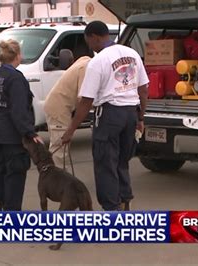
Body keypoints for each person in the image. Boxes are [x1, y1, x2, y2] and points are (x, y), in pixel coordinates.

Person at [61, 21, 149, 211]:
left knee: (105, 164)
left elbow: (86, 101)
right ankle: (125, 204)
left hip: (110, 115)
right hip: (130, 113)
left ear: (94, 37)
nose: (89, 46)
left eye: (88, 41)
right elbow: (143, 90)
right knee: (122, 162)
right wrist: (140, 118)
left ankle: (112, 211)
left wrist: (70, 130)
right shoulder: (132, 54)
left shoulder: (98, 62)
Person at [0, 39, 43, 211]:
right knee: (15, 175)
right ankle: (12, 212)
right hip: (11, 137)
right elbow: (18, 111)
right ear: (17, 56)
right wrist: (30, 133)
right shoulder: (16, 79)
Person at [44, 56, 91, 168]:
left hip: (56, 105)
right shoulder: (86, 67)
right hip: (59, 108)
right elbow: (83, 98)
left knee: (59, 147)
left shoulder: (85, 60)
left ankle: (58, 178)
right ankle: (58, 182)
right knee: (60, 149)